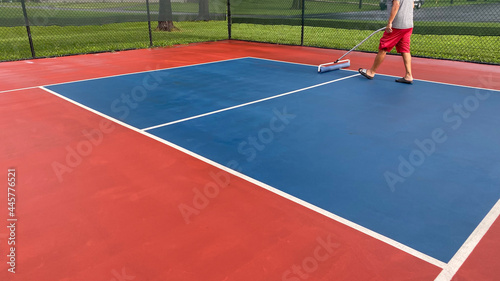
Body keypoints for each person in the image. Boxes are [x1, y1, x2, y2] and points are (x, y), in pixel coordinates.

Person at [358, 0, 414, 84]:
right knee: (404, 48)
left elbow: (396, 5)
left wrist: (390, 22)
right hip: (408, 24)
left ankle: (371, 72)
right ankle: (409, 75)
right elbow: (412, 5)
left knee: (384, 46)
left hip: (397, 25)